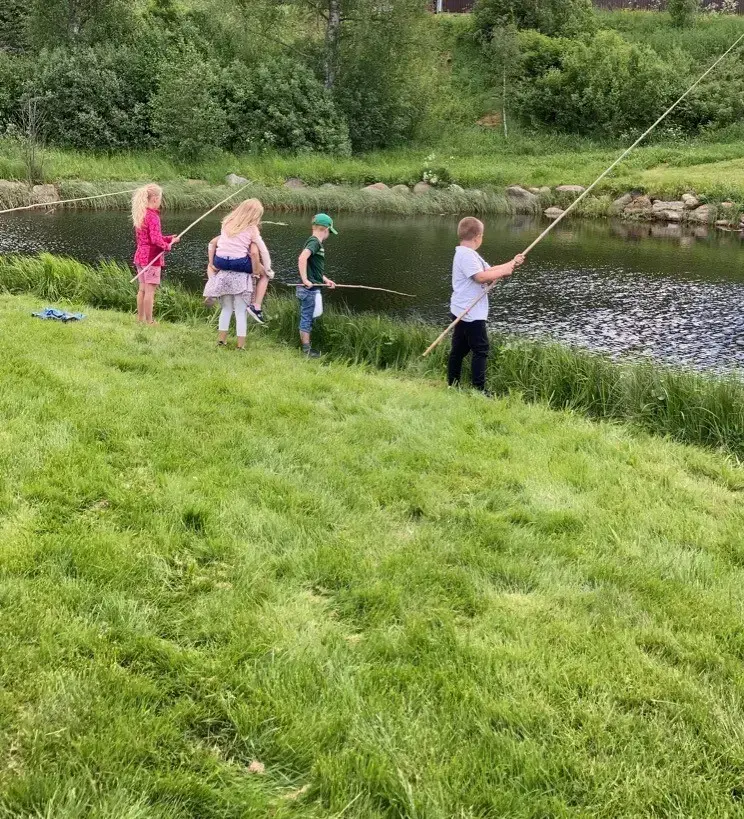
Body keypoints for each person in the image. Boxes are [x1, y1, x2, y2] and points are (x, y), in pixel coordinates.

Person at [448, 217, 525, 394]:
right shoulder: (465, 255)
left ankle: (453, 384)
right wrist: (504, 272)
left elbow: (488, 271)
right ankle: (479, 389)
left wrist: (512, 262)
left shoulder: (468, 254)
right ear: (478, 237)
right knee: (480, 349)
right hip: (469, 312)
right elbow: (481, 277)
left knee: (460, 348)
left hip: (462, 309)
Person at [204, 198, 273, 350]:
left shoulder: (227, 223)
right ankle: (241, 346)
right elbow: (262, 250)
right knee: (240, 311)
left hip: (221, 262)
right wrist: (267, 268)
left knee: (226, 309)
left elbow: (213, 243)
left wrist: (212, 262)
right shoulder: (251, 229)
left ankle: (221, 341)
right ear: (255, 215)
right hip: (239, 265)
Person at [132, 184, 179, 324]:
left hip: (140, 256)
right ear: (155, 199)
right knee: (150, 291)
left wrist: (170, 238)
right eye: (160, 198)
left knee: (142, 290)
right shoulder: (153, 216)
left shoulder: (141, 214)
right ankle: (149, 322)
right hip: (151, 259)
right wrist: (168, 246)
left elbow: (151, 237)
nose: (160, 201)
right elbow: (156, 240)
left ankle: (140, 319)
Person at [297, 213, 337, 358]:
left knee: (312, 315)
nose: (328, 236)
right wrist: (305, 280)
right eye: (329, 233)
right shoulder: (315, 242)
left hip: (313, 287)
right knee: (307, 318)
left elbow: (313, 267)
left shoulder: (313, 242)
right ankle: (307, 350)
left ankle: (306, 345)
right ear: (325, 230)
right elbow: (302, 258)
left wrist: (325, 279)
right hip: (309, 289)